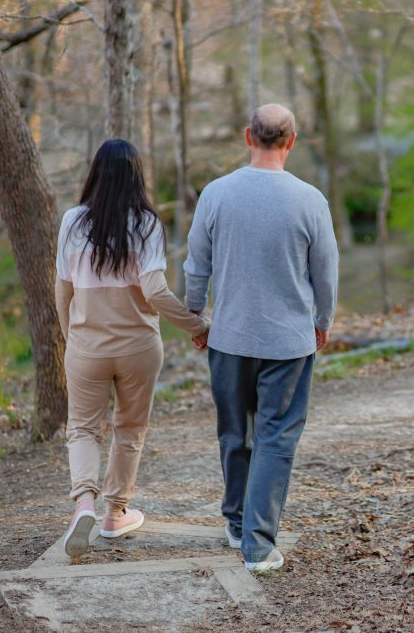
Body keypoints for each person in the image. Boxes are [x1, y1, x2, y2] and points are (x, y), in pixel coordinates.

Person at [184, 103, 338, 574]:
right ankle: (257, 543)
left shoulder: (216, 193)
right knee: (276, 436)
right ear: (291, 141)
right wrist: (323, 319)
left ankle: (236, 522)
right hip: (289, 342)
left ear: (247, 136)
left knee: (235, 433)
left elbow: (196, 263)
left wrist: (195, 315)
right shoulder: (310, 199)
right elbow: (326, 272)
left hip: (229, 337)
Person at [56, 139, 210, 558]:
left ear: (95, 174)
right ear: (136, 176)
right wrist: (198, 326)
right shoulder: (145, 223)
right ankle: (114, 513)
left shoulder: (72, 221)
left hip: (87, 346)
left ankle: (83, 504)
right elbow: (156, 292)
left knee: (83, 428)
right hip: (139, 347)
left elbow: (63, 291)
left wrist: (74, 339)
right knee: (129, 428)